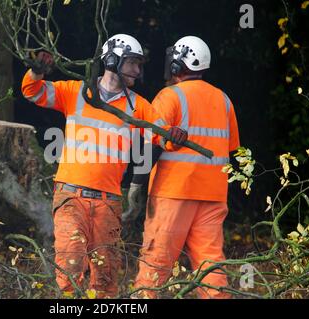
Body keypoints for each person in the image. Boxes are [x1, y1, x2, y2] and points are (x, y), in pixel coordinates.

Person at [21, 34, 187, 298]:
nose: (137, 70)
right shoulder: (77, 91)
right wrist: (36, 71)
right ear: (111, 60)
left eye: (139, 64)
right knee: (69, 268)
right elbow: (33, 91)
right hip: (70, 197)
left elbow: (161, 136)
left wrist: (174, 137)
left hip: (109, 202)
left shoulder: (137, 106)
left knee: (106, 278)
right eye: (132, 63)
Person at [129, 36, 240, 299]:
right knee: (210, 264)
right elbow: (233, 148)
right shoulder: (224, 100)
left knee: (156, 261)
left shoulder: (170, 96)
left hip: (173, 193)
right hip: (213, 195)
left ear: (178, 65)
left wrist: (136, 185)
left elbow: (150, 142)